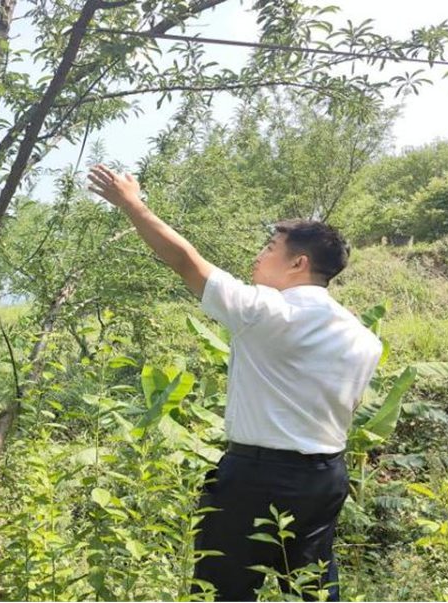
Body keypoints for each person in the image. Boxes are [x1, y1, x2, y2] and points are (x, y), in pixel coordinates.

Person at [87, 165, 382, 602]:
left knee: (222, 590)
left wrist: (131, 203)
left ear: (299, 263)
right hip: (324, 477)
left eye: (270, 247)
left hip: (256, 478)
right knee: (313, 590)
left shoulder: (266, 311)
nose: (258, 256)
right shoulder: (363, 337)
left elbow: (185, 260)